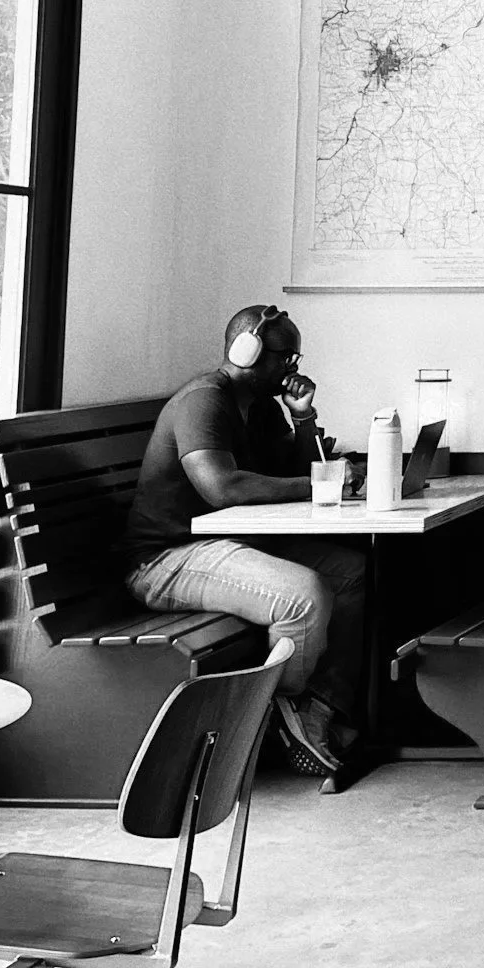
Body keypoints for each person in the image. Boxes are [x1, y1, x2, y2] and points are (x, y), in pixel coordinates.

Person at [123, 304, 364, 777]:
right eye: (283, 358)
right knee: (303, 595)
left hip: (228, 545)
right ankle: (284, 708)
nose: (292, 369)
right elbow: (222, 487)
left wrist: (303, 418)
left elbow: (293, 472)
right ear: (246, 351)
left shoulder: (262, 407)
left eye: (295, 358)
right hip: (167, 557)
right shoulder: (204, 401)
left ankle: (320, 706)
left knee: (351, 572)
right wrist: (323, 485)